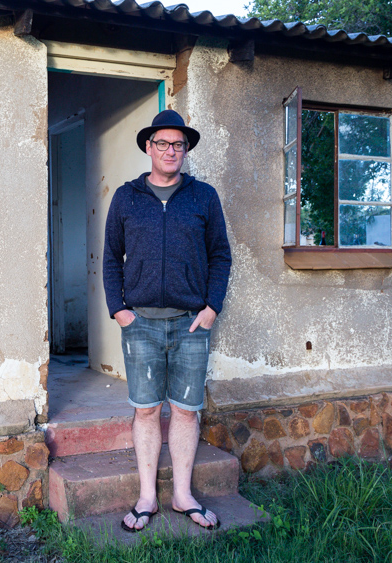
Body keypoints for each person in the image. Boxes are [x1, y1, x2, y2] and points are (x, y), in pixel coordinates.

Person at [102, 109, 231, 532]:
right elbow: (110, 259)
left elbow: (220, 255)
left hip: (191, 323)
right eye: (162, 143)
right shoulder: (125, 197)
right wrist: (120, 312)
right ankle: (146, 498)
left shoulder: (203, 196)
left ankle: (182, 495)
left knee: (186, 412)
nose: (170, 150)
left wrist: (211, 308)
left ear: (186, 150)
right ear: (148, 147)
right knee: (144, 411)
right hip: (140, 324)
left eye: (178, 144)